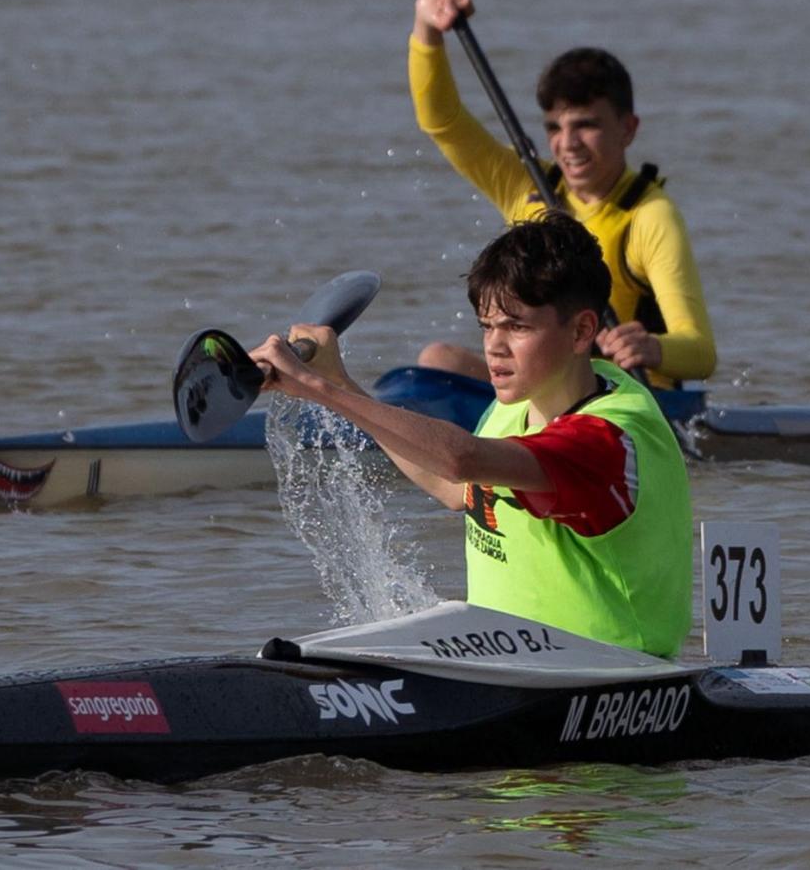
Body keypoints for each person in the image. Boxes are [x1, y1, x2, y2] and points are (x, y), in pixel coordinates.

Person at [251, 215, 692, 656]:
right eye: (487, 326)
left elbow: (460, 459)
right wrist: (339, 383)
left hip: (614, 676)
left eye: (517, 327)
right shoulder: (516, 401)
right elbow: (454, 486)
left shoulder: (607, 439)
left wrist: (316, 388)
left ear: (581, 331)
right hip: (510, 663)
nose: (494, 346)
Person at [409, 0, 715, 392]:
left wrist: (654, 348)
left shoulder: (648, 216)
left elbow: (701, 353)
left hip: (624, 395)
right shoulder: (525, 184)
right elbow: (442, 123)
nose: (567, 144)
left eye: (585, 125)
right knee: (436, 361)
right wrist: (427, 29)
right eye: (554, 127)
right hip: (547, 386)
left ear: (628, 128)